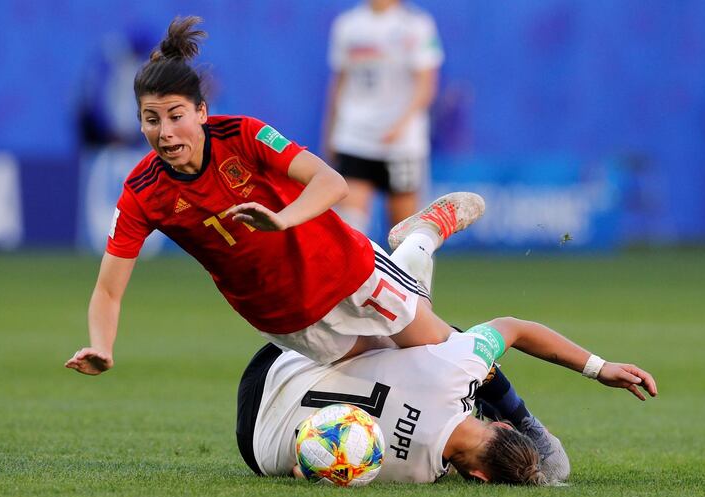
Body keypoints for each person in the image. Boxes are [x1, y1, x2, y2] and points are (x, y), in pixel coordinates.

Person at [65, 16, 483, 377]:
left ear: (202, 113)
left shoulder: (243, 134)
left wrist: (282, 219)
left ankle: (522, 425)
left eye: (176, 116)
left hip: (345, 268)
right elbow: (108, 291)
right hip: (285, 317)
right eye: (151, 120)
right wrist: (102, 346)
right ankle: (418, 242)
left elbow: (331, 182)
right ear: (139, 123)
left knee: (438, 351)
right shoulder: (142, 192)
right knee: (396, 370)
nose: (165, 131)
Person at [237, 318, 657, 485]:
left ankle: (419, 244)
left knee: (446, 336)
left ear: (501, 426)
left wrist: (599, 368)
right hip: (256, 447)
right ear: (478, 477)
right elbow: (300, 470)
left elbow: (514, 327)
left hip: (278, 365)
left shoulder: (455, 371)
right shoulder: (419, 475)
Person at [323, 0, 444, 235]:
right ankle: (360, 273)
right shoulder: (348, 25)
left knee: (406, 232)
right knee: (349, 228)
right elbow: (339, 82)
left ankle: (405, 272)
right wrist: (330, 133)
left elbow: (426, 84)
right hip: (355, 136)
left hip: (402, 144)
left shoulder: (416, 25)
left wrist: (400, 125)